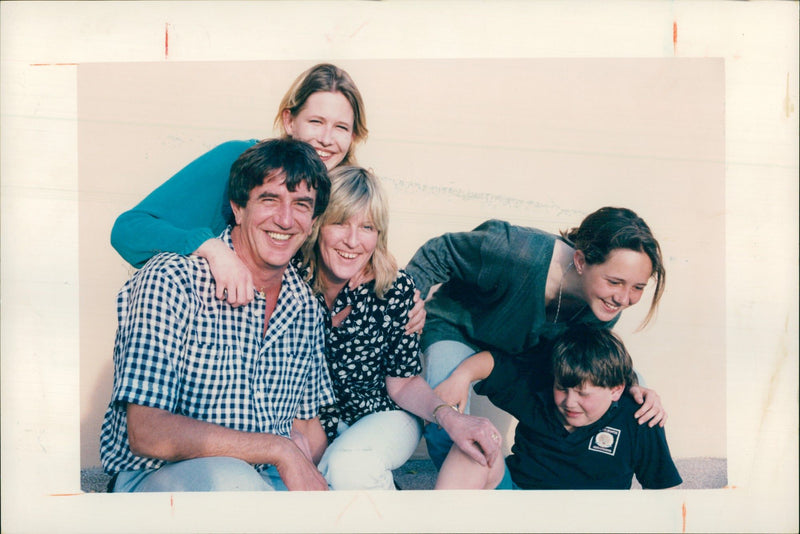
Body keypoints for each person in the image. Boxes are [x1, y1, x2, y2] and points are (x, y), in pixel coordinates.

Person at [109, 62, 425, 330]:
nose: (327, 139)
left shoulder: (345, 189)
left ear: (353, 135)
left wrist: (404, 299)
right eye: (316, 122)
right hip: (213, 327)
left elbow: (365, 254)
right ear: (289, 120)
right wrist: (213, 249)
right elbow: (128, 229)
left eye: (341, 127)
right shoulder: (239, 160)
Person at [99, 138, 335, 492]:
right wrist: (277, 448)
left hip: (264, 479)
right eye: (270, 199)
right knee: (233, 483)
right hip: (161, 480)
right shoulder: (172, 281)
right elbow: (146, 432)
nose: (285, 219)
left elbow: (306, 428)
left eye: (301, 205)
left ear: (313, 221)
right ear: (238, 208)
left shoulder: (305, 307)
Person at [404, 207, 668, 469]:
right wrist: (408, 304)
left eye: (638, 287)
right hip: (459, 329)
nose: (623, 298)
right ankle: (459, 497)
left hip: (524, 353)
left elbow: (590, 360)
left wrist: (633, 384)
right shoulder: (517, 251)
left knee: (627, 394)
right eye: (614, 282)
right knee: (445, 418)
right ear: (580, 261)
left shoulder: (606, 307)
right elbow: (440, 252)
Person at [297, 165, 502, 490]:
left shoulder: (392, 289)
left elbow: (404, 384)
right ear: (318, 224)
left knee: (349, 465)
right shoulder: (292, 279)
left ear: (379, 235)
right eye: (339, 222)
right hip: (313, 420)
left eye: (367, 227)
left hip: (385, 413)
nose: (352, 240)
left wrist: (451, 418)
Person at [434, 326, 683, 490]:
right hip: (518, 503)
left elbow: (663, 492)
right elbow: (494, 363)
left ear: (616, 389)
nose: (569, 402)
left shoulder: (639, 417)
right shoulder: (538, 392)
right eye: (563, 388)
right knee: (474, 446)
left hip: (593, 520)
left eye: (583, 393)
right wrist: (462, 376)